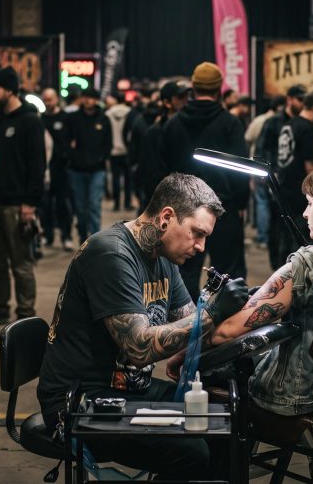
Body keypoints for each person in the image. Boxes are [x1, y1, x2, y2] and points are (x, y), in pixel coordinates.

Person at [37, 173, 250, 481]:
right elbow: (139, 348)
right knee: (192, 453)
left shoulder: (163, 257)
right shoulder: (111, 254)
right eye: (197, 233)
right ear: (166, 217)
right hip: (81, 399)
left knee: (225, 429)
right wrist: (215, 311)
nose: (201, 246)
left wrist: (248, 310)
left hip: (130, 390)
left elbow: (192, 324)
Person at [206, 160, 313, 416]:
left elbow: (228, 332)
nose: (305, 213)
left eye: (310, 204)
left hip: (297, 397)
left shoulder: (309, 264)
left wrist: (190, 350)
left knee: (203, 371)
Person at [160, 62, 251, 299]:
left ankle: (185, 326)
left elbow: (164, 169)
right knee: (227, 274)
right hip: (225, 209)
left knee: (184, 272)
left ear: (193, 88)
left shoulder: (173, 124)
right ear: (219, 88)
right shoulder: (230, 123)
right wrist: (241, 204)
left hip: (185, 209)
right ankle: (223, 328)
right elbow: (241, 169)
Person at [0, 67, 46, 325]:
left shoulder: (30, 121)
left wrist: (30, 203)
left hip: (18, 205)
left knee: (21, 261)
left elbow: (37, 165)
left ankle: (25, 311)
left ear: (9, 90)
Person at [258, 85, 306, 268]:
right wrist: (267, 175)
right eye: (299, 100)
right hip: (276, 183)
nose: (302, 104)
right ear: (290, 99)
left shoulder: (303, 124)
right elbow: (263, 148)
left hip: (297, 187)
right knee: (277, 229)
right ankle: (276, 267)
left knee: (296, 229)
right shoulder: (273, 122)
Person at [275, 90, 313, 258]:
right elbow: (311, 168)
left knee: (285, 238)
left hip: (284, 189)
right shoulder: (308, 129)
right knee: (300, 243)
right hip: (301, 194)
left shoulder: (289, 124)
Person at [65, 88, 112, 243]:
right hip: (76, 169)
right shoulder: (73, 118)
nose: (87, 100)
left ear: (96, 100)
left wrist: (99, 159)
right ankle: (82, 235)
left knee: (93, 205)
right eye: (85, 97)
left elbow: (107, 145)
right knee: (79, 207)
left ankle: (95, 239)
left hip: (97, 170)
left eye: (91, 98)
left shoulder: (103, 119)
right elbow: (66, 141)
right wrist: (73, 157)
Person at [137, 81, 188, 210]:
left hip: (188, 199)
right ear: (167, 102)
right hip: (163, 201)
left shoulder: (190, 129)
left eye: (187, 96)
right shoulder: (154, 132)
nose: (186, 100)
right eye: (180, 98)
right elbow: (150, 171)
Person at [245, 96, 284, 249]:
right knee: (272, 204)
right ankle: (270, 238)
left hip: (258, 165)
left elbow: (248, 138)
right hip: (273, 168)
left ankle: (262, 238)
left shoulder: (259, 120)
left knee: (262, 203)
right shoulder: (279, 121)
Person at [40, 88, 75, 250]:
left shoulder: (66, 118)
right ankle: (48, 236)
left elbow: (72, 141)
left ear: (56, 99)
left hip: (62, 169)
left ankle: (66, 235)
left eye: (50, 99)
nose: (48, 103)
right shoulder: (40, 120)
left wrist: (67, 157)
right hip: (45, 169)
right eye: (45, 100)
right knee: (45, 205)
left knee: (63, 204)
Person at [105, 96, 133, 211]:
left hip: (113, 150)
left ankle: (116, 204)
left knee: (115, 178)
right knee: (128, 179)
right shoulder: (130, 112)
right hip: (127, 150)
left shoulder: (108, 113)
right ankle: (127, 203)